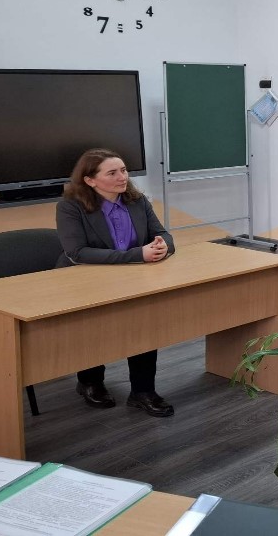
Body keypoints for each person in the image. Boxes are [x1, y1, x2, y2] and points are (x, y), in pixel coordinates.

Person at [57, 148, 176, 417]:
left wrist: (163, 246)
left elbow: (162, 234)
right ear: (90, 180)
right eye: (112, 173)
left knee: (143, 324)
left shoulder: (137, 200)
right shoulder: (70, 206)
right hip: (85, 279)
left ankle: (143, 391)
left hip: (132, 277)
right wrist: (138, 255)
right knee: (93, 328)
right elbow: (77, 252)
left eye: (123, 170)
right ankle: (90, 382)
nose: (122, 177)